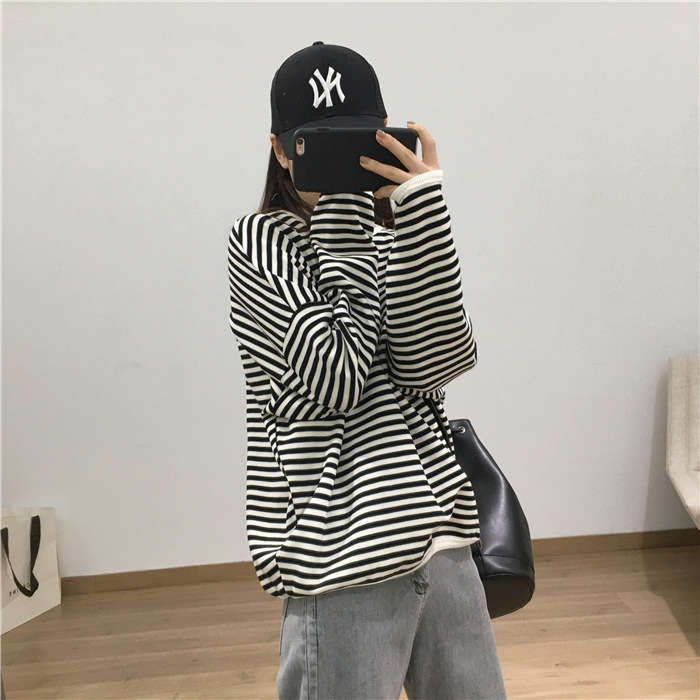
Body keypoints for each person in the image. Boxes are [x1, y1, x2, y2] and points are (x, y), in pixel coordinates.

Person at [227, 41, 507, 700]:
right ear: (280, 150)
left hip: (442, 542)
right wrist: (348, 215)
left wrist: (423, 210)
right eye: (318, 143)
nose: (341, 160)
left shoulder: (392, 239)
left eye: (357, 139)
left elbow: (435, 363)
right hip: (341, 558)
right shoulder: (260, 244)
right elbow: (338, 378)